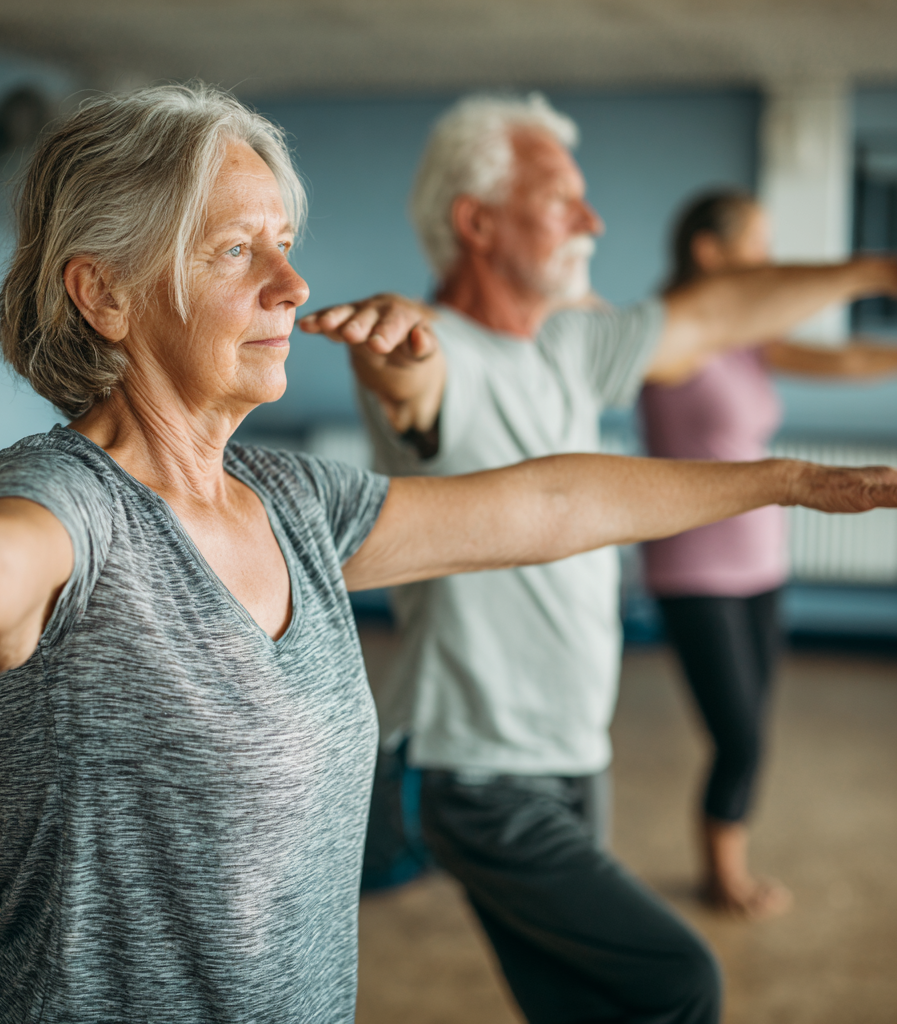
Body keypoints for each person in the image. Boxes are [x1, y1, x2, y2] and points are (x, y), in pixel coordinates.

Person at [300, 93, 897, 1024]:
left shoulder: (571, 345)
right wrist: (393, 351)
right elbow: (408, 376)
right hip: (473, 763)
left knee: (581, 1006)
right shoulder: (437, 344)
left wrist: (875, 267)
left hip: (577, 750)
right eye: (559, 199)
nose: (592, 220)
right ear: (477, 222)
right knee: (673, 980)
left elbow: (712, 313)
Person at [641, 189, 897, 919]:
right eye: (758, 247)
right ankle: (723, 877)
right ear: (709, 252)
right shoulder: (668, 334)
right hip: (693, 568)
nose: (770, 264)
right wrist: (873, 270)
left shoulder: (748, 337)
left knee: (754, 727)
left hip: (761, 561)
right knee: (741, 736)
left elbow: (845, 358)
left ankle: (730, 862)